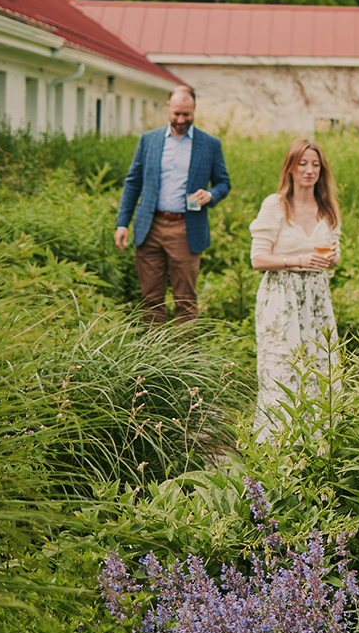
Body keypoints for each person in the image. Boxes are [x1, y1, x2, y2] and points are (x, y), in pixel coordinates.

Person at [114, 86, 231, 324]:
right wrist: (122, 223)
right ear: (168, 107)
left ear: (194, 110)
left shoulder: (210, 144)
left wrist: (210, 194)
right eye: (176, 113)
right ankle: (153, 356)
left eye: (186, 114)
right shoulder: (150, 140)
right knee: (150, 299)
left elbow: (223, 183)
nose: (180, 119)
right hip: (150, 226)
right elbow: (133, 183)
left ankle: (183, 356)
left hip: (185, 229)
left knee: (185, 300)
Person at [249, 138, 341, 438]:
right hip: (281, 298)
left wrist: (331, 258)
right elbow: (257, 259)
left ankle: (317, 445)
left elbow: (333, 259)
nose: (309, 170)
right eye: (302, 163)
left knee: (319, 368)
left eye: (315, 164)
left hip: (315, 300)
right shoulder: (275, 205)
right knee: (283, 369)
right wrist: (298, 260)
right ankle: (277, 447)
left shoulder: (327, 208)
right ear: (290, 167)